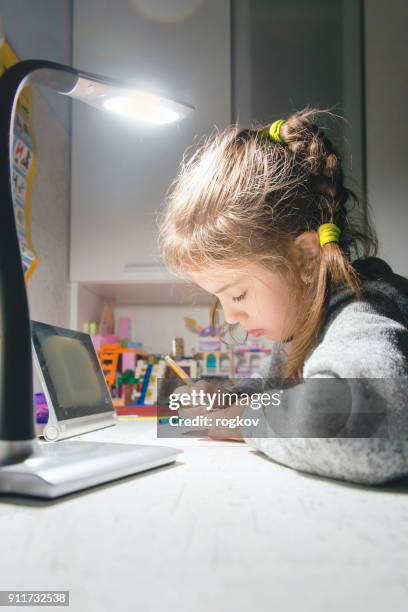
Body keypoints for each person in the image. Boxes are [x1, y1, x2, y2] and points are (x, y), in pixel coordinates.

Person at [157, 107, 408, 485]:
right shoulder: (301, 328)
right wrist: (226, 397)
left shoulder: (361, 312)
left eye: (238, 293)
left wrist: (240, 420)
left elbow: (363, 418)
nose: (228, 316)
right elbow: (274, 390)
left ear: (305, 258)